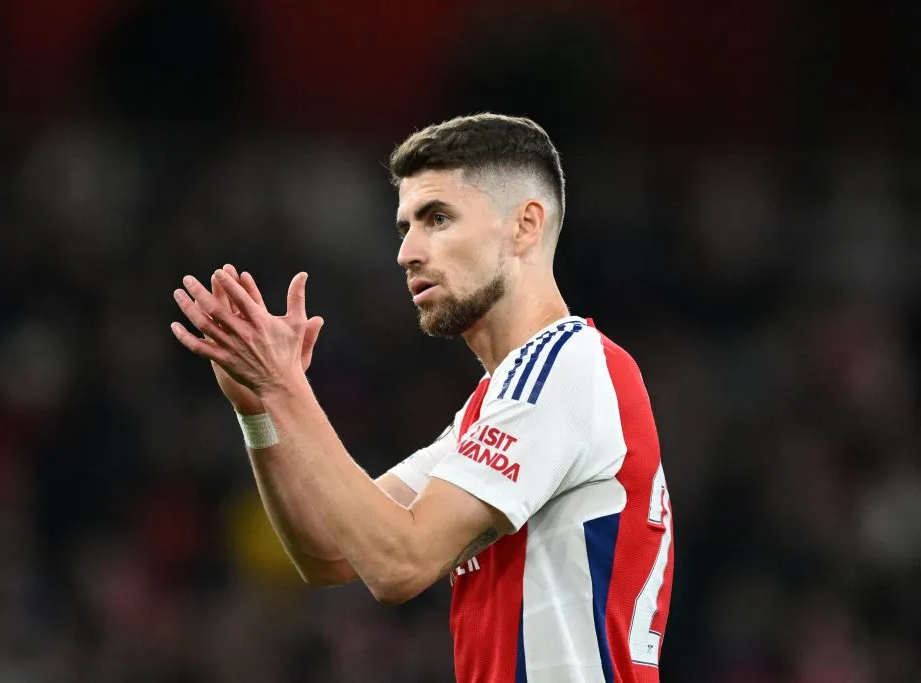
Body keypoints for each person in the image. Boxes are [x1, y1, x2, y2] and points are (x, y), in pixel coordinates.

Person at [170, 113, 674, 683]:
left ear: (525, 226)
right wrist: (260, 409)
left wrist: (286, 386)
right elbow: (327, 553)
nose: (407, 251)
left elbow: (399, 564)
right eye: (405, 225)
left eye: (438, 218)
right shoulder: (502, 403)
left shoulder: (566, 367)